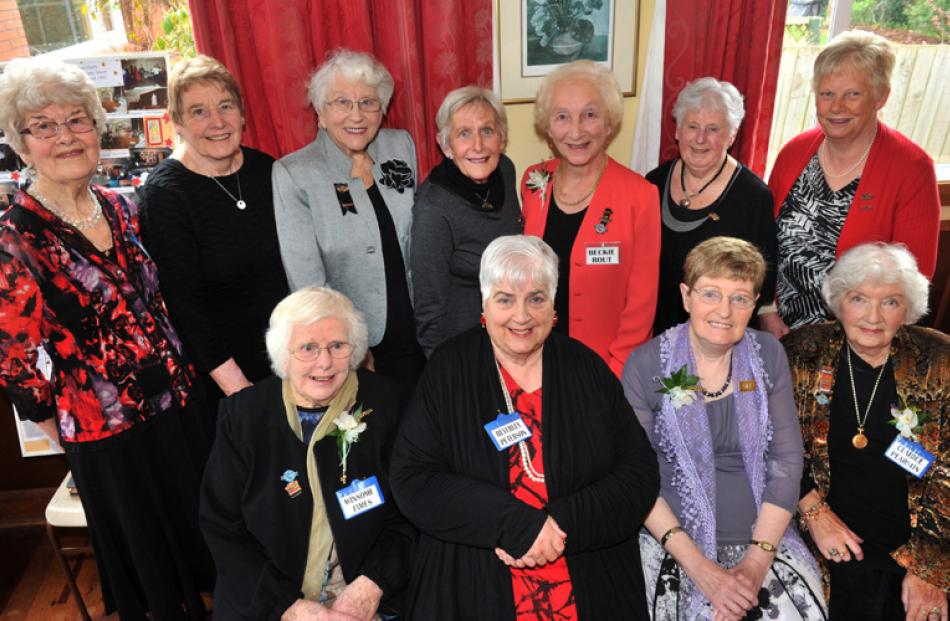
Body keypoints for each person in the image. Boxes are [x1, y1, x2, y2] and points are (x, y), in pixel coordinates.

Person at [0, 56, 214, 619]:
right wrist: (78, 431)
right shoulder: (14, 242)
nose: (65, 136)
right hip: (109, 438)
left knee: (204, 550)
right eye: (43, 126)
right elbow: (18, 368)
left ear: (98, 128)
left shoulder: (123, 207)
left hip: (177, 409)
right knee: (156, 586)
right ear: (21, 145)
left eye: (77, 120)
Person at [390, 234, 660, 620]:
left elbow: (638, 475)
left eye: (536, 298)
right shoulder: (449, 369)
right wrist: (515, 525)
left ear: (554, 305)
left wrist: (562, 524)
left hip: (588, 579)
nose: (521, 316)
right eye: (505, 299)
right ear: (483, 303)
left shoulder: (586, 367)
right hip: (475, 583)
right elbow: (412, 479)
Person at [622, 237, 826, 620]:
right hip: (673, 546)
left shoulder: (768, 354)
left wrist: (755, 563)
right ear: (686, 296)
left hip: (763, 543)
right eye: (711, 294)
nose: (725, 311)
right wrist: (704, 572)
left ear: (755, 304)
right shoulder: (645, 364)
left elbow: (785, 461)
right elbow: (636, 476)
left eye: (740, 298)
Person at [200, 286, 414, 621]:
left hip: (364, 593)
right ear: (283, 354)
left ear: (354, 348)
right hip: (269, 601)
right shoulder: (244, 417)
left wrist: (370, 586)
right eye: (308, 348)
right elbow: (223, 529)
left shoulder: (386, 405)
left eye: (337, 346)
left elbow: (409, 515)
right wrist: (290, 608)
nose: (324, 362)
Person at [784, 243, 948, 621]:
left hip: (921, 540)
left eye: (890, 302)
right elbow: (769, 442)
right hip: (825, 541)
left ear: (907, 309)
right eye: (859, 299)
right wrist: (813, 510)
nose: (873, 316)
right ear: (839, 301)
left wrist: (929, 569)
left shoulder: (939, 361)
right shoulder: (802, 353)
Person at [765, 30, 940, 338]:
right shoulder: (793, 153)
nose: (836, 107)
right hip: (778, 332)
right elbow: (762, 240)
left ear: (881, 96)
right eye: (827, 94)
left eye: (853, 94)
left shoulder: (912, 168)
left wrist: (859, 342)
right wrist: (767, 311)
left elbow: (913, 281)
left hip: (859, 342)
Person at [140, 54, 289, 407]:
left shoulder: (264, 169)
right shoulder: (165, 196)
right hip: (228, 378)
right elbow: (185, 307)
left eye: (226, 106)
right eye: (199, 112)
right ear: (176, 122)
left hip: (291, 360)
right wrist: (241, 393)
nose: (218, 122)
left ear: (242, 113)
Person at [273, 49, 425, 394]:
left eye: (368, 102)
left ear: (382, 109)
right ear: (321, 114)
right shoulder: (295, 174)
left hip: (417, 331)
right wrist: (346, 346)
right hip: (355, 347)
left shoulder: (400, 146)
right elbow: (308, 283)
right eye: (341, 102)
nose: (356, 115)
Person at [521, 60, 660, 377]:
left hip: (602, 368)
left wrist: (615, 374)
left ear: (609, 123)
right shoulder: (533, 182)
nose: (576, 131)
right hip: (537, 360)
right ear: (548, 126)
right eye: (562, 117)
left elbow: (641, 306)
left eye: (590, 115)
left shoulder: (640, 196)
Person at [645, 77, 776, 336]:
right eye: (692, 126)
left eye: (713, 129)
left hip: (720, 333)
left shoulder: (753, 196)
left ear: (731, 136)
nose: (700, 139)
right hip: (655, 331)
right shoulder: (653, 184)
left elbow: (764, 280)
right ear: (678, 130)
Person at [410, 86, 522, 356]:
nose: (478, 146)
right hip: (463, 347)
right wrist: (442, 372)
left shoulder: (505, 170)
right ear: (446, 145)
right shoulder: (433, 208)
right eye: (464, 134)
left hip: (513, 333)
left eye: (487, 131)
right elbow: (429, 306)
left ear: (502, 138)